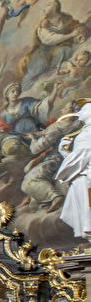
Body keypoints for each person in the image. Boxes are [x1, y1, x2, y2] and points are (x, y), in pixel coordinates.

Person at [56, 101, 91, 237]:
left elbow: (81, 157)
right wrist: (64, 153)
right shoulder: (85, 132)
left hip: (86, 180)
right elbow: (80, 158)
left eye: (84, 109)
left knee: (87, 217)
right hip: (83, 178)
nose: (79, 112)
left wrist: (64, 170)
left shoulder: (87, 133)